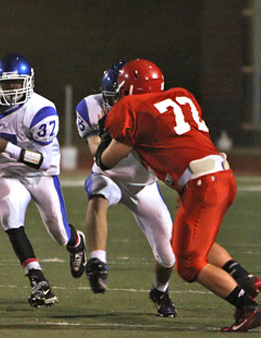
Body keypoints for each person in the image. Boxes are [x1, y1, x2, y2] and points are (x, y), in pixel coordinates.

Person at [97, 59, 261, 332]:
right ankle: (244, 278)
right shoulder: (182, 96)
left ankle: (247, 306)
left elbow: (107, 161)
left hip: (201, 184)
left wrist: (103, 140)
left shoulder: (131, 107)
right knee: (186, 241)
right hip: (221, 176)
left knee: (188, 264)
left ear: (128, 89)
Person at [0, 53, 86, 308]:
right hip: (10, 173)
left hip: (41, 174)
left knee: (60, 233)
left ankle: (76, 242)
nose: (11, 90)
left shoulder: (41, 110)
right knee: (8, 213)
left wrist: (5, 148)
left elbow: (43, 161)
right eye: (6, 84)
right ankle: (37, 280)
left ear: (29, 83)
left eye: (16, 83)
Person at [75, 61, 177, 317]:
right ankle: (97, 260)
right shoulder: (91, 106)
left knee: (168, 256)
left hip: (144, 185)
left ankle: (160, 290)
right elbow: (96, 151)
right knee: (98, 192)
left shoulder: (160, 113)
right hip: (108, 174)